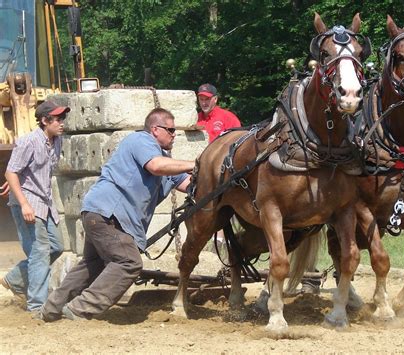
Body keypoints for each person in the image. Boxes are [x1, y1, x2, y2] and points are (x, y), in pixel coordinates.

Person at [40, 107, 195, 321]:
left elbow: (188, 184)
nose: (174, 134)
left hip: (101, 214)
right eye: (171, 129)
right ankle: (80, 308)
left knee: (92, 264)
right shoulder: (141, 141)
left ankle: (52, 308)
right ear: (155, 129)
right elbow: (156, 167)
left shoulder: (166, 159)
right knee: (128, 262)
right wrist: (195, 163)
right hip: (109, 215)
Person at [1, 101, 69, 317]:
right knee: (39, 252)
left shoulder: (57, 141)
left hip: (45, 202)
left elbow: (22, 172)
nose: (61, 123)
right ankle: (37, 306)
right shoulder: (28, 141)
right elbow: (11, 172)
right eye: (57, 119)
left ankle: (14, 279)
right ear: (44, 121)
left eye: (62, 119)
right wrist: (23, 203)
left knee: (56, 246)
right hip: (29, 203)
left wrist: (16, 179)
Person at [196, 83, 241, 257]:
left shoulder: (227, 117)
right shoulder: (196, 119)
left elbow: (239, 140)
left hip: (222, 171)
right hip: (200, 171)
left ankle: (221, 240)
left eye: (207, 99)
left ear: (215, 99)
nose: (204, 102)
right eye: (201, 98)